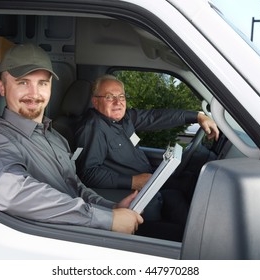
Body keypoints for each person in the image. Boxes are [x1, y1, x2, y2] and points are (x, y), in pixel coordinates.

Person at [0, 44, 143, 235]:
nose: (34, 93)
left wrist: (112, 208)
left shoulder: (56, 137)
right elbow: (12, 193)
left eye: (42, 83)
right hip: (55, 241)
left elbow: (76, 187)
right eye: (23, 82)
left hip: (80, 230)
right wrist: (105, 219)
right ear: (2, 87)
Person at [74, 74, 219, 240]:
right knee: (180, 211)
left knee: (191, 182)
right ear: (95, 101)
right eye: (109, 97)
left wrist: (197, 116)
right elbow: (88, 173)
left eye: (121, 96)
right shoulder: (92, 128)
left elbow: (155, 117)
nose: (118, 102)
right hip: (134, 194)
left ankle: (204, 236)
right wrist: (133, 181)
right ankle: (199, 241)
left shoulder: (124, 118)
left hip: (149, 181)